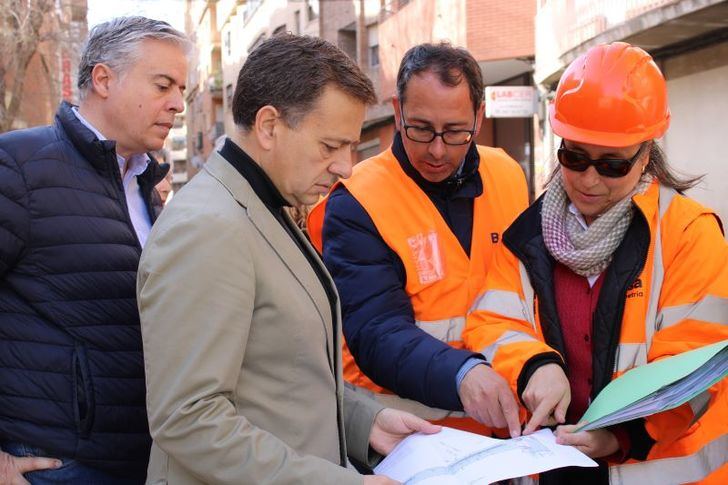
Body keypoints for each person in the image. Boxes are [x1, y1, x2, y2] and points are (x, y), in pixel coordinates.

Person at [137, 34, 438, 485]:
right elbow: (189, 419)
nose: (346, 167)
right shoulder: (208, 227)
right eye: (330, 146)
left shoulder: (263, 205)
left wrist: (367, 422)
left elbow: (283, 376)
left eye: (351, 147)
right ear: (269, 126)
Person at [464, 42, 728, 484]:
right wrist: (535, 365)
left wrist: (621, 435)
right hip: (550, 468)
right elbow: (492, 323)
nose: (588, 180)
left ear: (645, 154)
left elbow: (698, 363)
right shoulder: (527, 235)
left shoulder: (688, 232)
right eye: (575, 158)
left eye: (611, 165)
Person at [0, 16, 188, 484]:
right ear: (103, 79)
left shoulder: (147, 187)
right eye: (164, 85)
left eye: (182, 89)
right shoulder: (19, 166)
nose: (179, 105)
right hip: (51, 463)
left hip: (139, 459)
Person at [307, 42, 528, 437]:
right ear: (397, 112)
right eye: (421, 129)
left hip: (505, 436)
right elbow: (377, 329)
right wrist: (463, 374)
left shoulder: (508, 176)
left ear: (479, 117)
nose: (437, 150)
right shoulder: (357, 199)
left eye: (456, 131)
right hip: (409, 441)